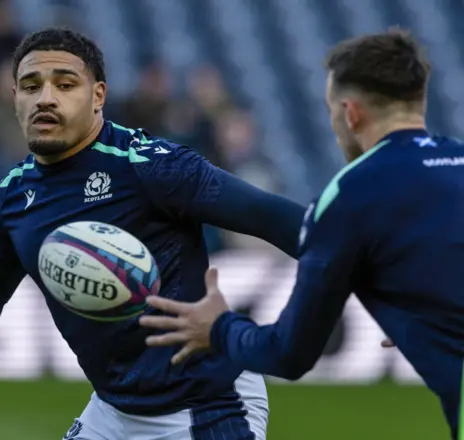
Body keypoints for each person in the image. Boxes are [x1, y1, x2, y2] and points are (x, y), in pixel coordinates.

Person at [0, 27, 306, 440]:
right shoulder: (13, 196)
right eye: (31, 86)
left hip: (206, 403)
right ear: (15, 98)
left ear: (98, 96)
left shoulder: (147, 166)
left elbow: (272, 217)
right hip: (114, 409)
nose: (46, 98)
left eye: (65, 85)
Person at [140, 28, 464, 439]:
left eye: (331, 111)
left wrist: (218, 328)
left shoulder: (349, 194)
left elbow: (289, 354)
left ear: (350, 113)